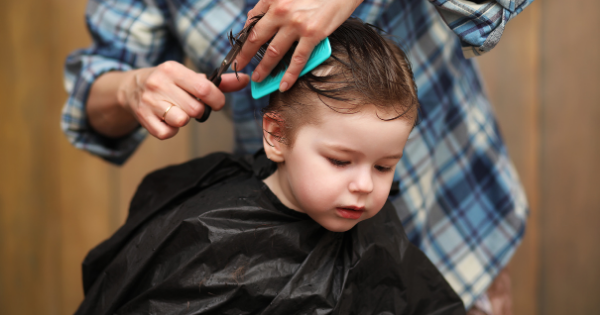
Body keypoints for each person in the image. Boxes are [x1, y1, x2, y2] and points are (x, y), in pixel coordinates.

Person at [62, 0, 533, 311]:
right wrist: (129, 88)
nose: (366, 186)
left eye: (386, 166)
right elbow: (91, 97)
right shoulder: (211, 244)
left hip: (459, 228)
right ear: (276, 133)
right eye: (340, 161)